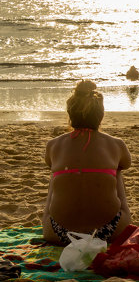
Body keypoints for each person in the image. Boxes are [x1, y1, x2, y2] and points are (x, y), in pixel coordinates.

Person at [42, 80, 132, 246]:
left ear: (70, 114)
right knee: (117, 169)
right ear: (101, 115)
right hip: (110, 231)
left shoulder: (53, 145)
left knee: (56, 173)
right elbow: (126, 163)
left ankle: (49, 214)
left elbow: (49, 163)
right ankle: (122, 209)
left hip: (58, 233)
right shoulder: (116, 144)